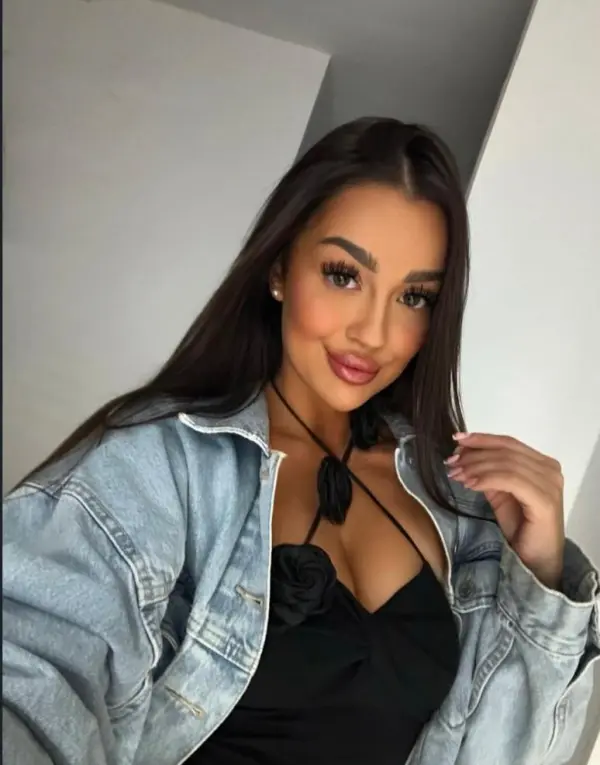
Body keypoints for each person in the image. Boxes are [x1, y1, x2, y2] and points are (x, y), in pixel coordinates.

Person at [3, 117, 599, 765]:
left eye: (414, 296)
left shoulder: (458, 505)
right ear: (281, 267)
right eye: (344, 275)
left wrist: (541, 573)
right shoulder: (164, 466)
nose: (373, 332)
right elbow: (36, 677)